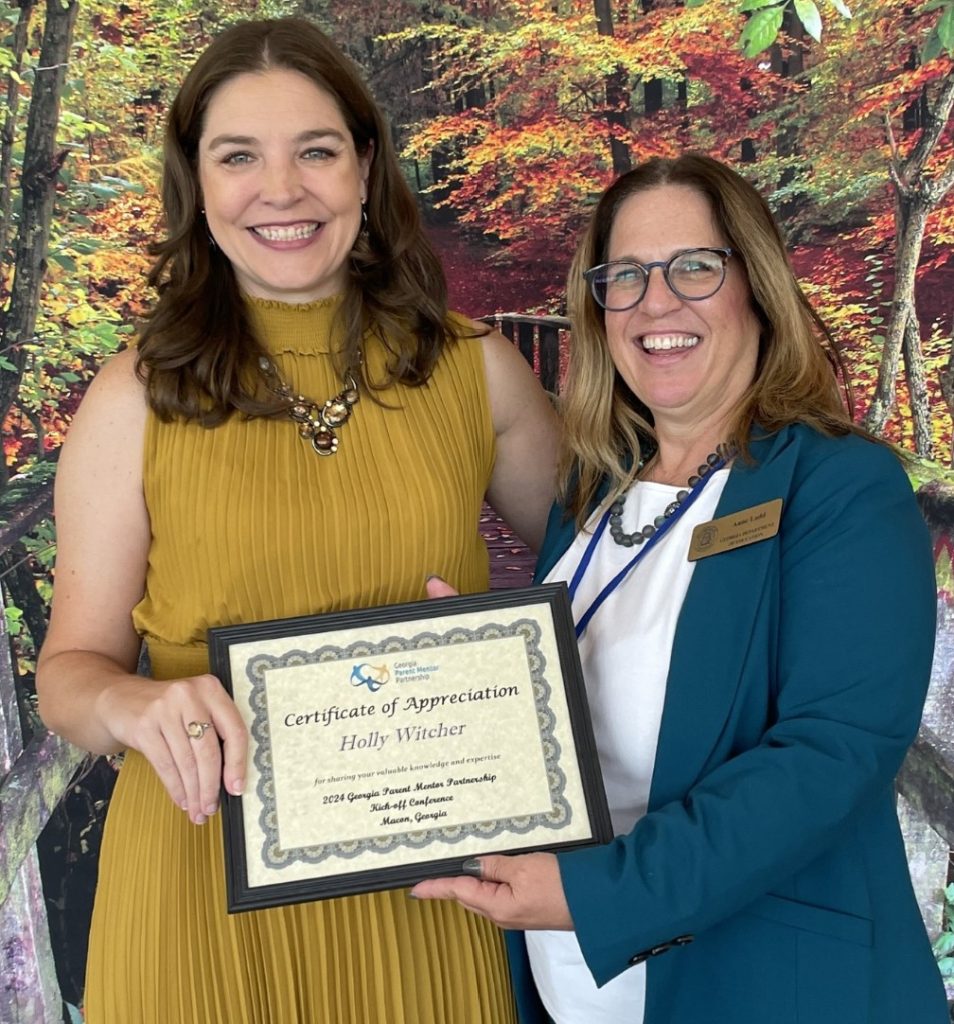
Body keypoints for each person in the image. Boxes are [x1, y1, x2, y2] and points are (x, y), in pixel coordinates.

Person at [36, 17, 558, 1024]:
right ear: (199, 182)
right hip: (201, 878)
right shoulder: (131, 398)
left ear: (364, 166)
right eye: (240, 156)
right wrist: (132, 706)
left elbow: (625, 572)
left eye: (315, 150)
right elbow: (69, 673)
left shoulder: (475, 367)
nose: (282, 190)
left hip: (425, 881)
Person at [413, 154, 949, 1023]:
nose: (656, 304)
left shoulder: (841, 487)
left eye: (694, 267)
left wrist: (598, 893)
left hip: (770, 990)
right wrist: (475, 678)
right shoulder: (595, 495)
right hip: (571, 990)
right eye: (624, 276)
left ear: (757, 288)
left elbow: (831, 756)